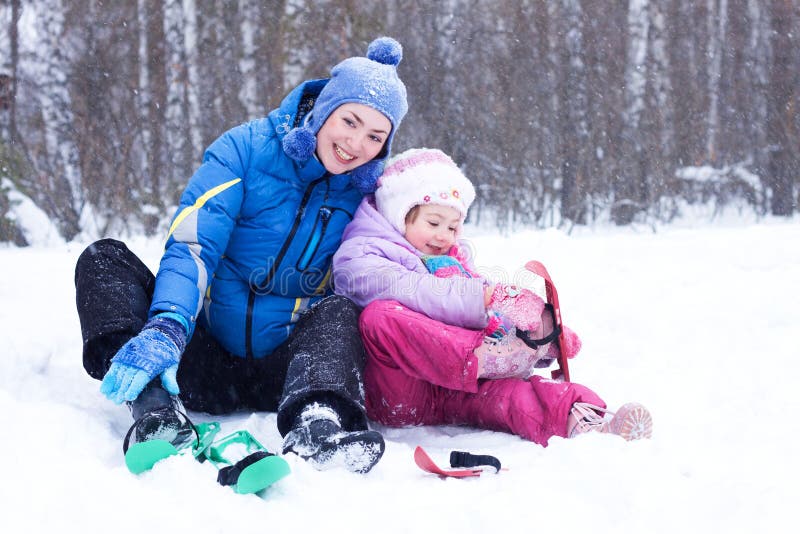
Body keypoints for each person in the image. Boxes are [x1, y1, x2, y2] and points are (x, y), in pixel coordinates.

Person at [74, 37, 409, 474]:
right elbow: (195, 244)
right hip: (197, 356)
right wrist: (168, 327)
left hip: (287, 374)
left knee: (340, 308)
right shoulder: (245, 149)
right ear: (324, 109)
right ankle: (154, 402)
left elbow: (410, 261)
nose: (355, 143)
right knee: (103, 258)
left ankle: (318, 425)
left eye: (375, 136)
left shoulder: (366, 194)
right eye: (350, 120)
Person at [332, 148, 653, 446]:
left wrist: (538, 338)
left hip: (457, 382)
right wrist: (486, 298)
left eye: (454, 227)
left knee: (512, 396)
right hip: (401, 393)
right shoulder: (363, 251)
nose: (444, 235)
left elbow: (487, 315)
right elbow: (420, 292)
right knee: (380, 316)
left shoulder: (453, 264)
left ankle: (586, 421)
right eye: (433, 223)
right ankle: (490, 359)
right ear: (398, 214)